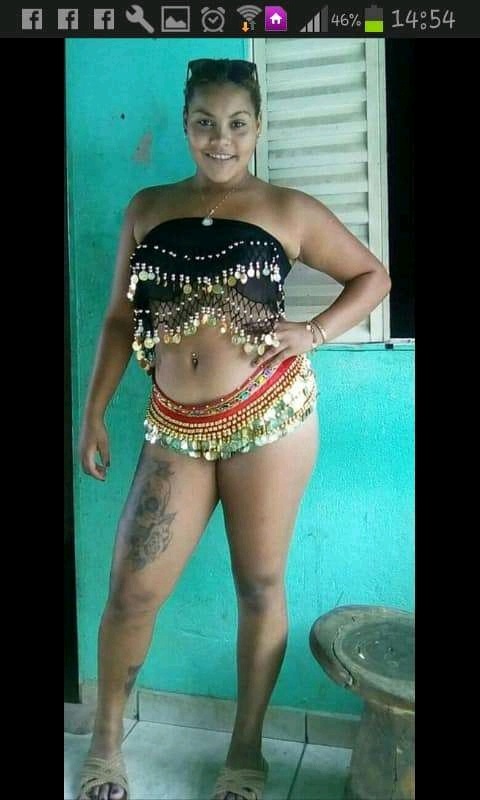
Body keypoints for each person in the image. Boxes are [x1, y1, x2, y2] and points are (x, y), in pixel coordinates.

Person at [76, 58, 391, 800]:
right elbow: (120, 317)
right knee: (132, 590)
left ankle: (246, 754)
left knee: (259, 584)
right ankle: (106, 743)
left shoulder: (288, 208)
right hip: (174, 425)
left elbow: (373, 277)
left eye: (237, 124)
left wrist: (313, 333)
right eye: (205, 123)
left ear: (258, 127)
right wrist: (93, 410)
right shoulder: (148, 206)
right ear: (187, 126)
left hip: (271, 418)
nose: (221, 139)